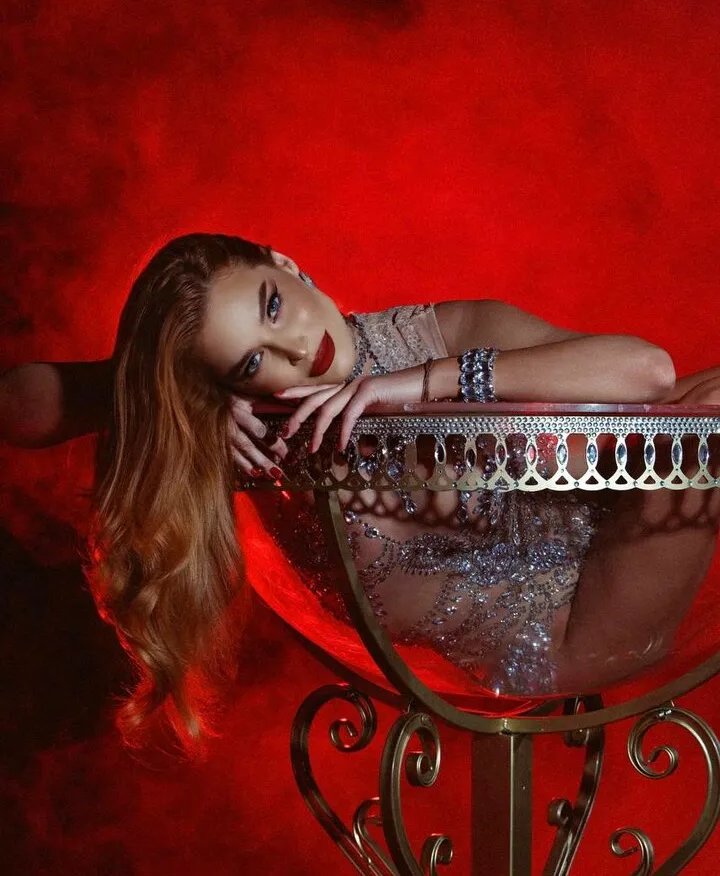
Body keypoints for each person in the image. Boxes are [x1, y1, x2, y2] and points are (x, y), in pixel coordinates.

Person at [1, 232, 719, 746]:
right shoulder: (264, 431)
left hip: (605, 535)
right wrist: (174, 402)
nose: (293, 347)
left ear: (287, 266)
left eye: (273, 306)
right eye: (252, 360)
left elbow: (648, 374)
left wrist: (423, 382)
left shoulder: (425, 337)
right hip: (566, 637)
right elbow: (18, 406)